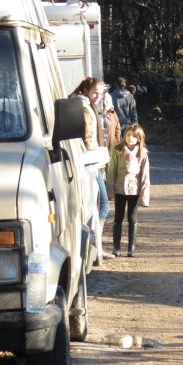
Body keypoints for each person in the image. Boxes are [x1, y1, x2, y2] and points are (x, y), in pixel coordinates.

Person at [71, 76, 113, 264]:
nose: (98, 96)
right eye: (95, 92)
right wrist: (97, 154)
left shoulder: (84, 104)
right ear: (86, 90)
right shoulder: (84, 107)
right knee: (102, 205)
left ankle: (96, 248)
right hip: (89, 163)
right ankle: (95, 247)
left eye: (100, 93)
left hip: (89, 162)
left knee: (97, 207)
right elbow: (88, 138)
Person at [107, 123, 150, 257]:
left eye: (134, 136)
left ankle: (131, 248)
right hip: (120, 188)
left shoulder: (142, 153)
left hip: (134, 190)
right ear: (124, 136)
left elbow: (145, 176)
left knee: (132, 217)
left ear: (139, 138)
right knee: (118, 217)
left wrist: (144, 196)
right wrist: (110, 189)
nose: (130, 138)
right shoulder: (118, 151)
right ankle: (116, 247)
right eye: (128, 135)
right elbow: (111, 171)